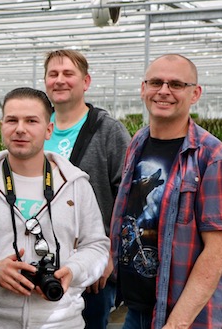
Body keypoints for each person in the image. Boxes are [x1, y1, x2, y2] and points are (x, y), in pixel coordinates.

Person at [110, 54, 222, 329]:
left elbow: (218, 252)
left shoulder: (213, 157)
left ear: (195, 93)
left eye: (176, 84)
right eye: (156, 82)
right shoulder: (138, 142)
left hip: (186, 318)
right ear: (143, 89)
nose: (164, 91)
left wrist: (176, 323)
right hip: (137, 309)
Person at [0, 87, 109, 328]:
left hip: (62, 321)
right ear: (1, 126)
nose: (20, 128)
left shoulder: (75, 184)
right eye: (12, 120)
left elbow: (96, 245)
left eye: (31, 121)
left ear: (48, 129)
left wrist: (72, 271)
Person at [43, 49, 131, 329]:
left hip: (90, 267)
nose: (60, 80)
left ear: (86, 81)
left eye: (68, 74)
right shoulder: (36, 128)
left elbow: (128, 199)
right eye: (53, 74)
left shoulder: (108, 131)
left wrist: (110, 256)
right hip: (43, 263)